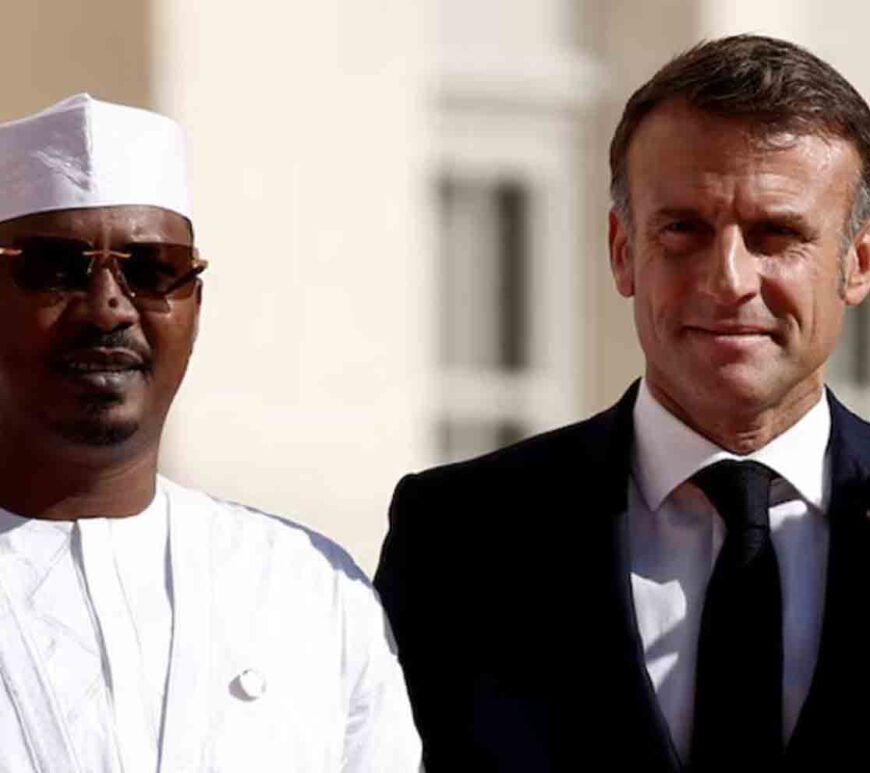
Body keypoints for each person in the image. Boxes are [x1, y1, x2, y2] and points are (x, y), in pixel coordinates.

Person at [375, 34, 870, 772]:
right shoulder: (461, 538)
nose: (729, 278)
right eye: (684, 230)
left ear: (856, 263)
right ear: (621, 250)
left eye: (776, 234)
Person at [0, 94, 421, 772]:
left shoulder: (311, 590)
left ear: (195, 305)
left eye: (151, 269)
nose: (109, 305)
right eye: (57, 266)